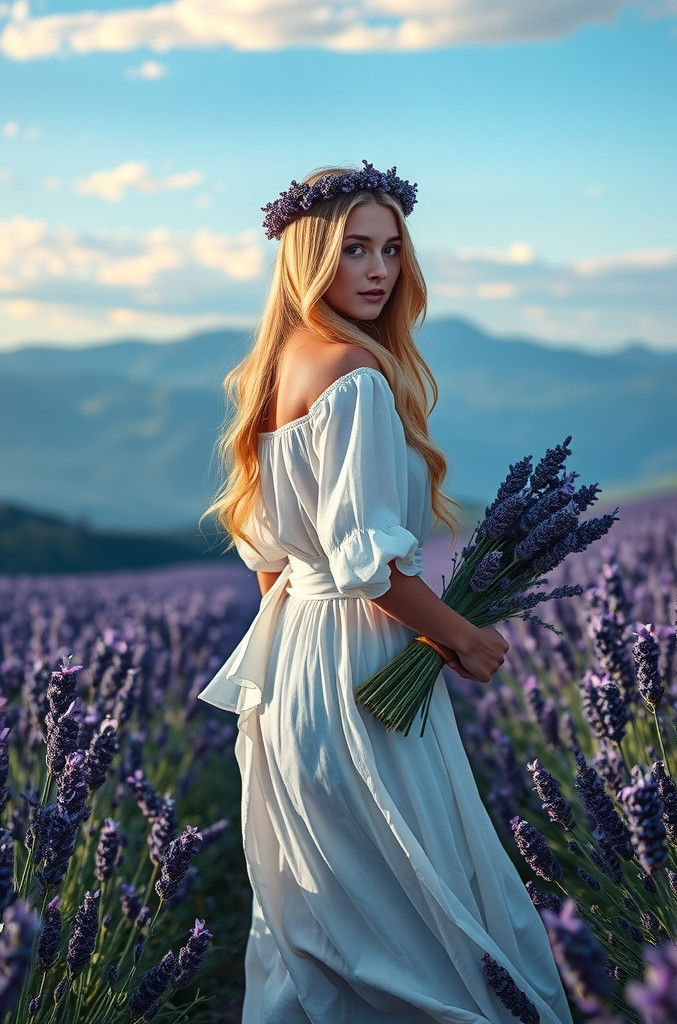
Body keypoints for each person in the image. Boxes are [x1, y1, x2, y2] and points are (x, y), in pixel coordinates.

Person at [198, 160, 573, 1024]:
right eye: (352, 249)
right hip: (361, 670)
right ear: (307, 260)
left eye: (391, 249)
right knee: (419, 901)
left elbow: (266, 556)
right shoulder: (358, 381)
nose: (376, 270)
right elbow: (371, 570)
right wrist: (461, 638)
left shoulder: (276, 372)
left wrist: (301, 651)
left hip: (290, 668)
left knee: (323, 911)